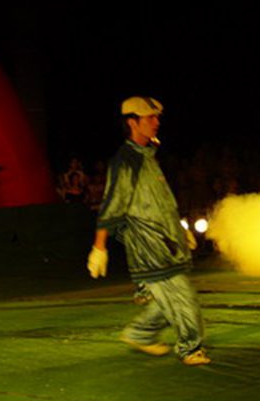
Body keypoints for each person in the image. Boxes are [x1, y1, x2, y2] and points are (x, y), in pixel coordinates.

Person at [87, 96, 209, 365]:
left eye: (157, 117)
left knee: (168, 297)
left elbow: (160, 201)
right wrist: (99, 246)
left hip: (166, 241)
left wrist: (179, 229)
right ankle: (190, 348)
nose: (156, 122)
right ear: (132, 123)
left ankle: (140, 333)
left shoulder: (148, 155)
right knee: (183, 297)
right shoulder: (126, 160)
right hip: (149, 245)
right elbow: (113, 204)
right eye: (149, 117)